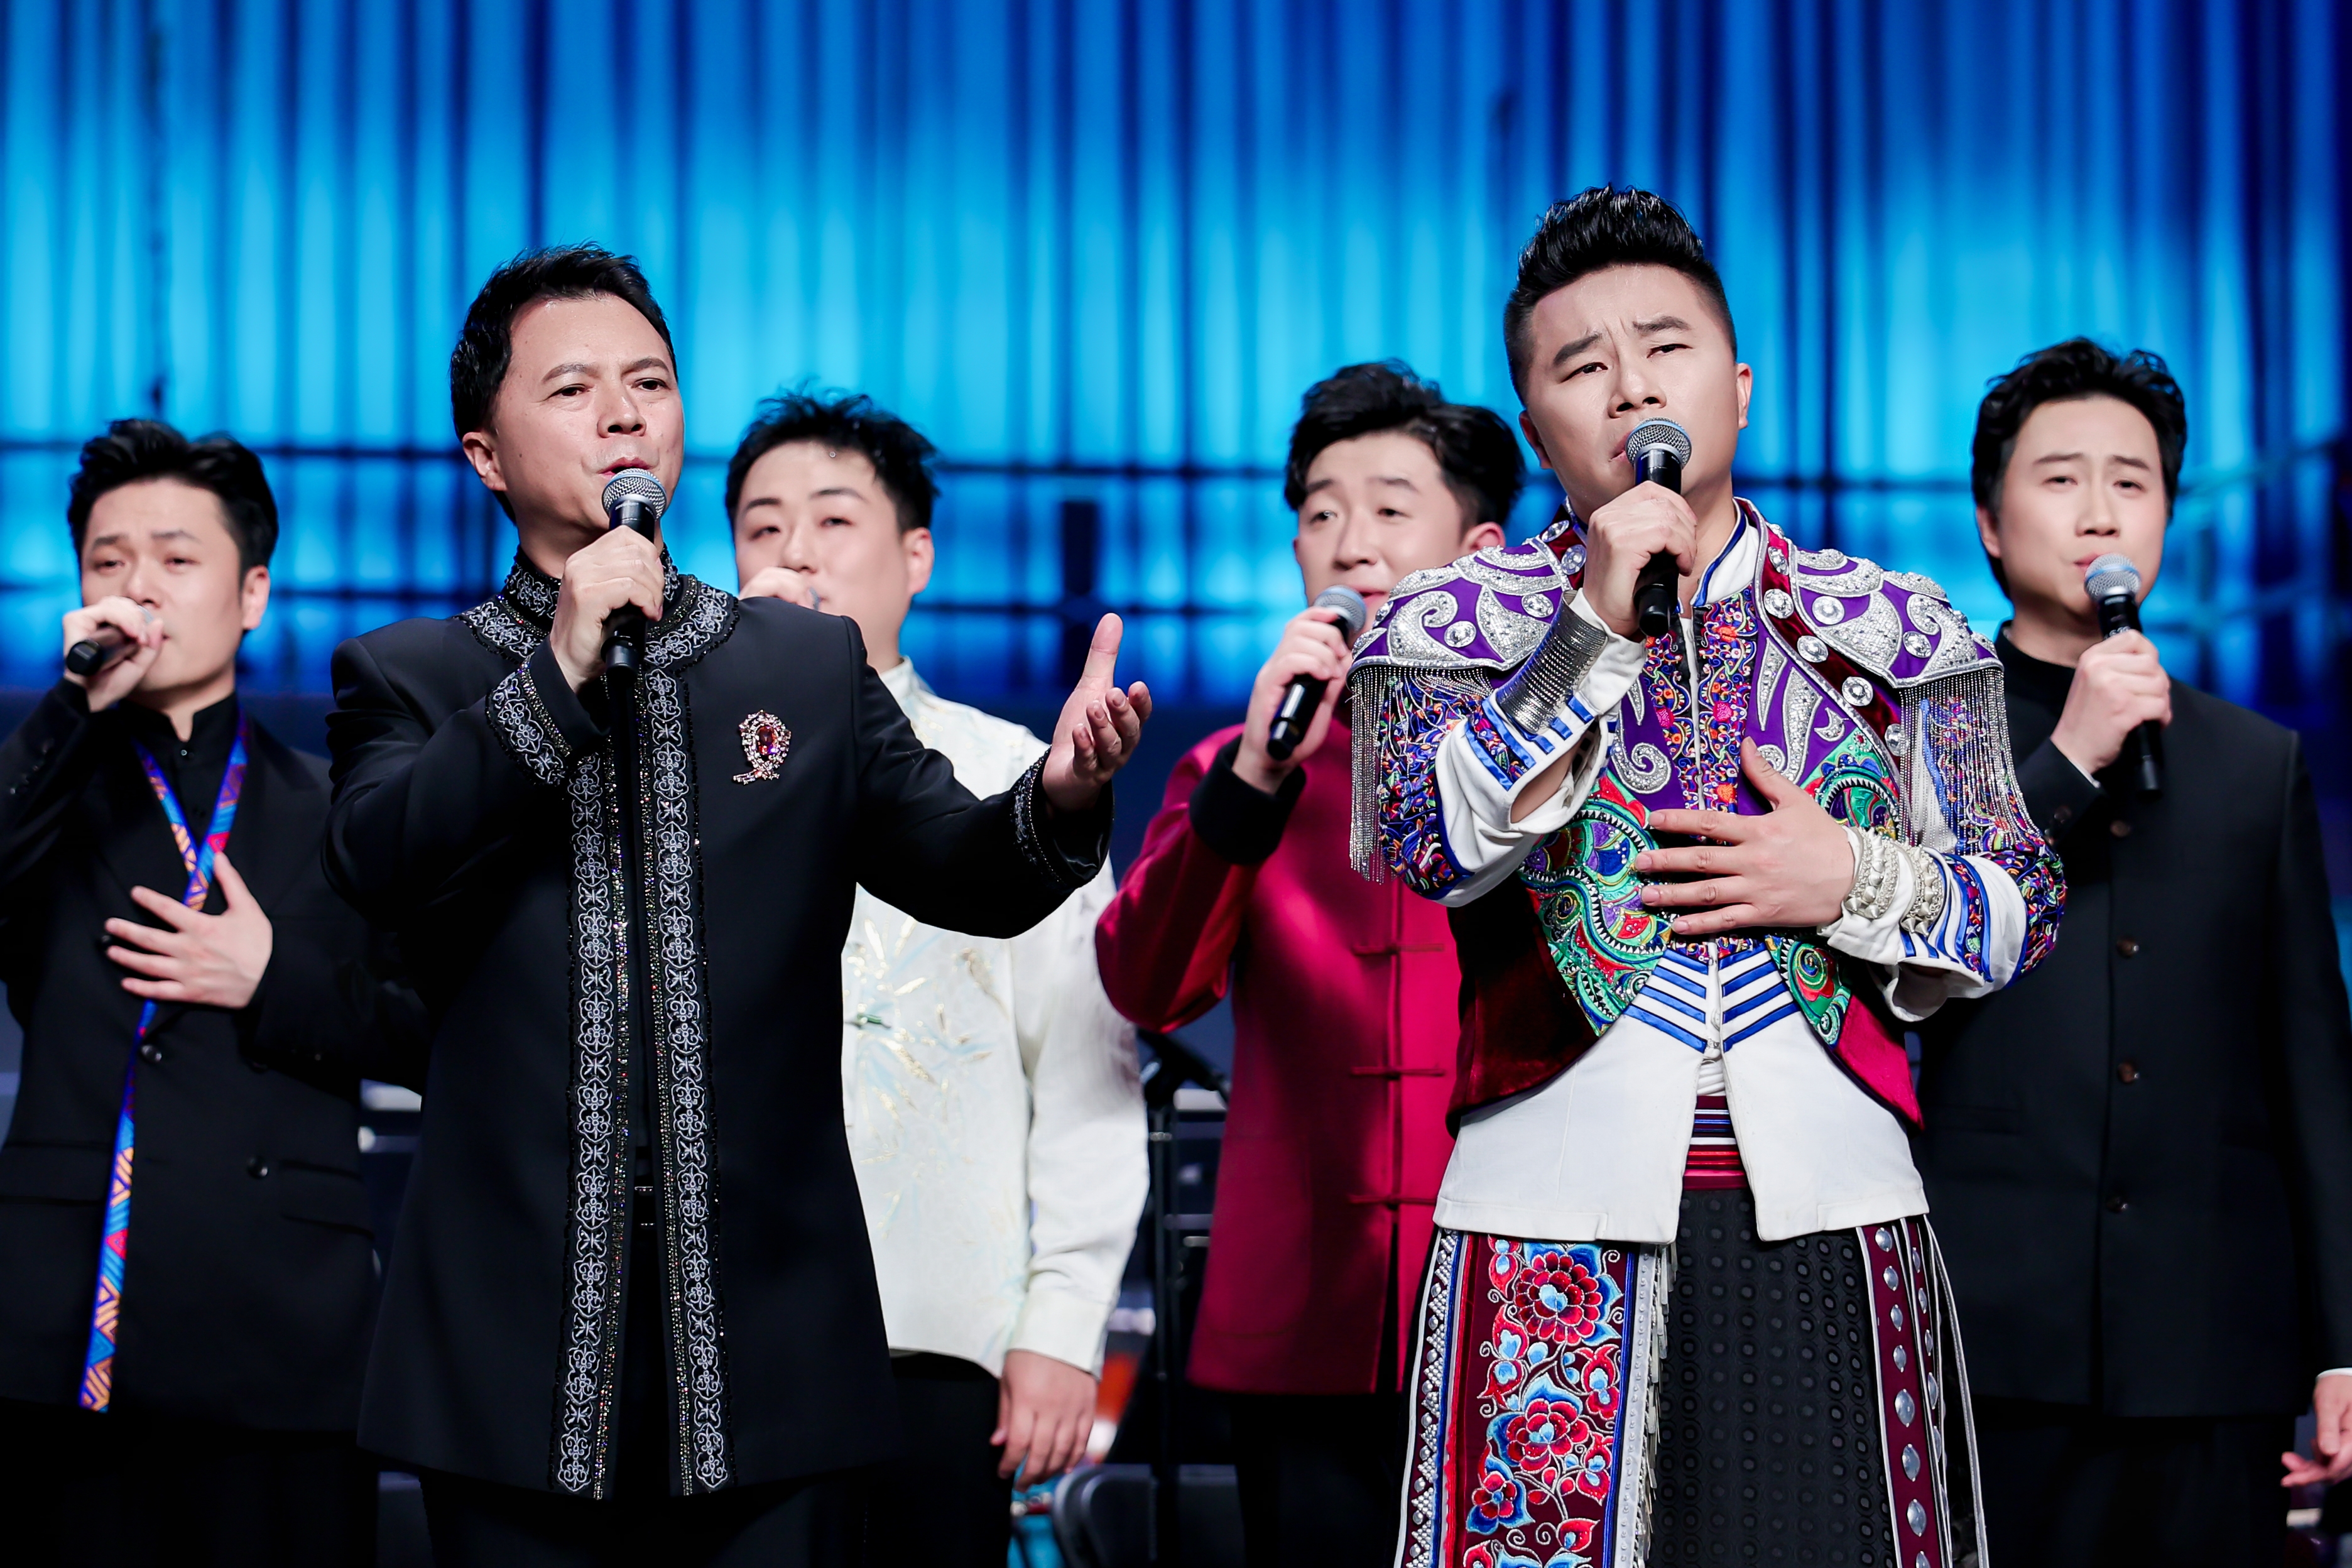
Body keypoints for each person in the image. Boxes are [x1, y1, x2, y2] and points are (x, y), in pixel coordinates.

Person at [321, 244, 1150, 1567]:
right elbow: (378, 861)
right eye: (574, 389)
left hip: (774, 1350)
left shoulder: (800, 663)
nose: (622, 415)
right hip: (509, 1353)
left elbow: (962, 866)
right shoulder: (412, 675)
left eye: (649, 382)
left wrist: (1057, 795)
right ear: (485, 455)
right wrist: (558, 672)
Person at [1353, 187, 2065, 1564]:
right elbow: (1427, 845)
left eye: (1665, 348)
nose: (1632, 388)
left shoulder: (1896, 628)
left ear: (1736, 386)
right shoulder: (1452, 623)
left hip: (1837, 1221)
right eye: (1582, 366)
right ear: (1538, 426)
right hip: (1545, 1219)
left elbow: (2021, 909)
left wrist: (1849, 877)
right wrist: (1588, 629)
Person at [1912, 337, 2352, 1565]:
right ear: (1991, 523)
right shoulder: (1923, 734)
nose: (2100, 510)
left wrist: (2343, 1344)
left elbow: (2311, 1071)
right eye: (2060, 479)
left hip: (2212, 1340)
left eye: (2133, 480)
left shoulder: (2255, 762)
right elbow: (1910, 961)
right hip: (1992, 1333)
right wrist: (2069, 764)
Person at [1095, 361, 1520, 1564]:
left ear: (1480, 551)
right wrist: (1255, 779)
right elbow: (1147, 985)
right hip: (1300, 1318)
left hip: (1511, 1307)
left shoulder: (1551, 766)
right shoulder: (1238, 767)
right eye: (1322, 514)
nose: (1352, 542)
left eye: (1390, 508)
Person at [726, 387, 1147, 1565]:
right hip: (726, 1332)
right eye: (762, 527)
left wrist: (1062, 1325)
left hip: (940, 1332)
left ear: (916, 558)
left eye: (833, 520)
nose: (796, 552)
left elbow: (1085, 1072)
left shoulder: (1017, 776)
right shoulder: (687, 765)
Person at [0, 421, 422, 1565]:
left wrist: (271, 978)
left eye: (177, 559)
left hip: (282, 1326)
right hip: (67, 1325)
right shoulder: (40, 782)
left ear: (253, 595)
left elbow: (439, 1033)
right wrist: (71, 710)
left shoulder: (339, 807)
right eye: (109, 560)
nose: (138, 586)